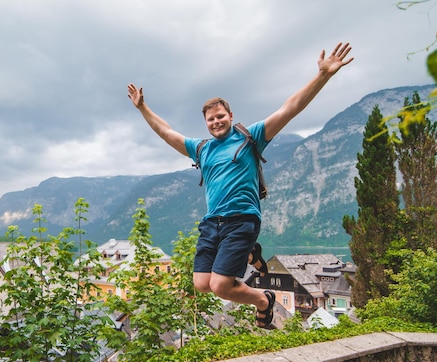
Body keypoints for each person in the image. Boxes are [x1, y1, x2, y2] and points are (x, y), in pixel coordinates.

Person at [127, 42, 353, 328]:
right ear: (206, 124)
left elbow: (290, 108)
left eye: (220, 116)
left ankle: (264, 300)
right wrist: (143, 107)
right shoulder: (202, 149)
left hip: (242, 220)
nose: (216, 122)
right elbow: (166, 132)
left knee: (221, 286)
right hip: (213, 223)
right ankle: (250, 254)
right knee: (201, 284)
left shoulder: (251, 137)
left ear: (231, 117)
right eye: (211, 119)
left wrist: (323, 76)